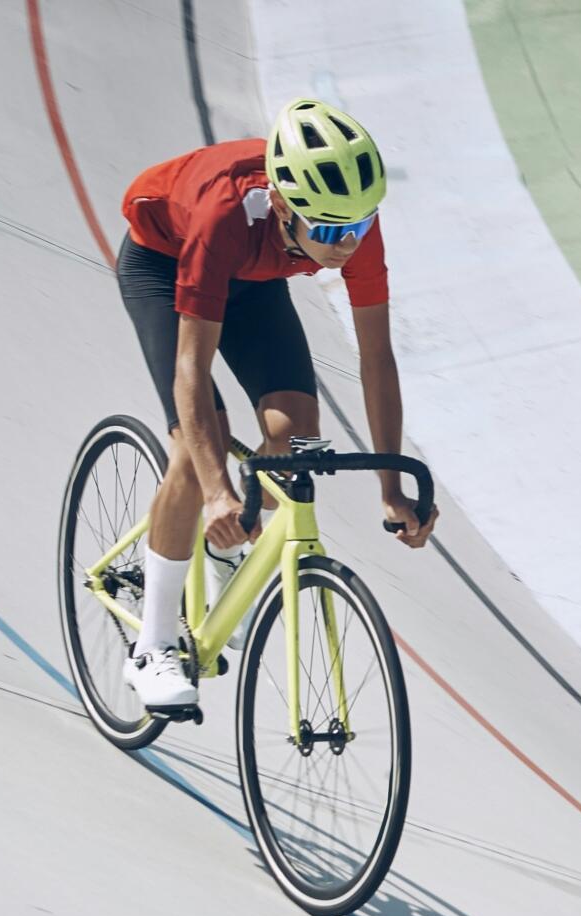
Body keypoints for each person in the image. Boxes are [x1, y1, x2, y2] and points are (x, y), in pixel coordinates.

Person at [115, 99, 435, 712]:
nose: (348, 245)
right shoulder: (224, 212)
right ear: (285, 206)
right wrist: (216, 490)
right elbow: (191, 370)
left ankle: (221, 547)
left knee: (299, 437)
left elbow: (377, 360)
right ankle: (152, 646)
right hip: (167, 262)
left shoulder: (349, 225)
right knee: (194, 453)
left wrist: (391, 490)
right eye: (332, 232)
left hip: (255, 279)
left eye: (361, 226)